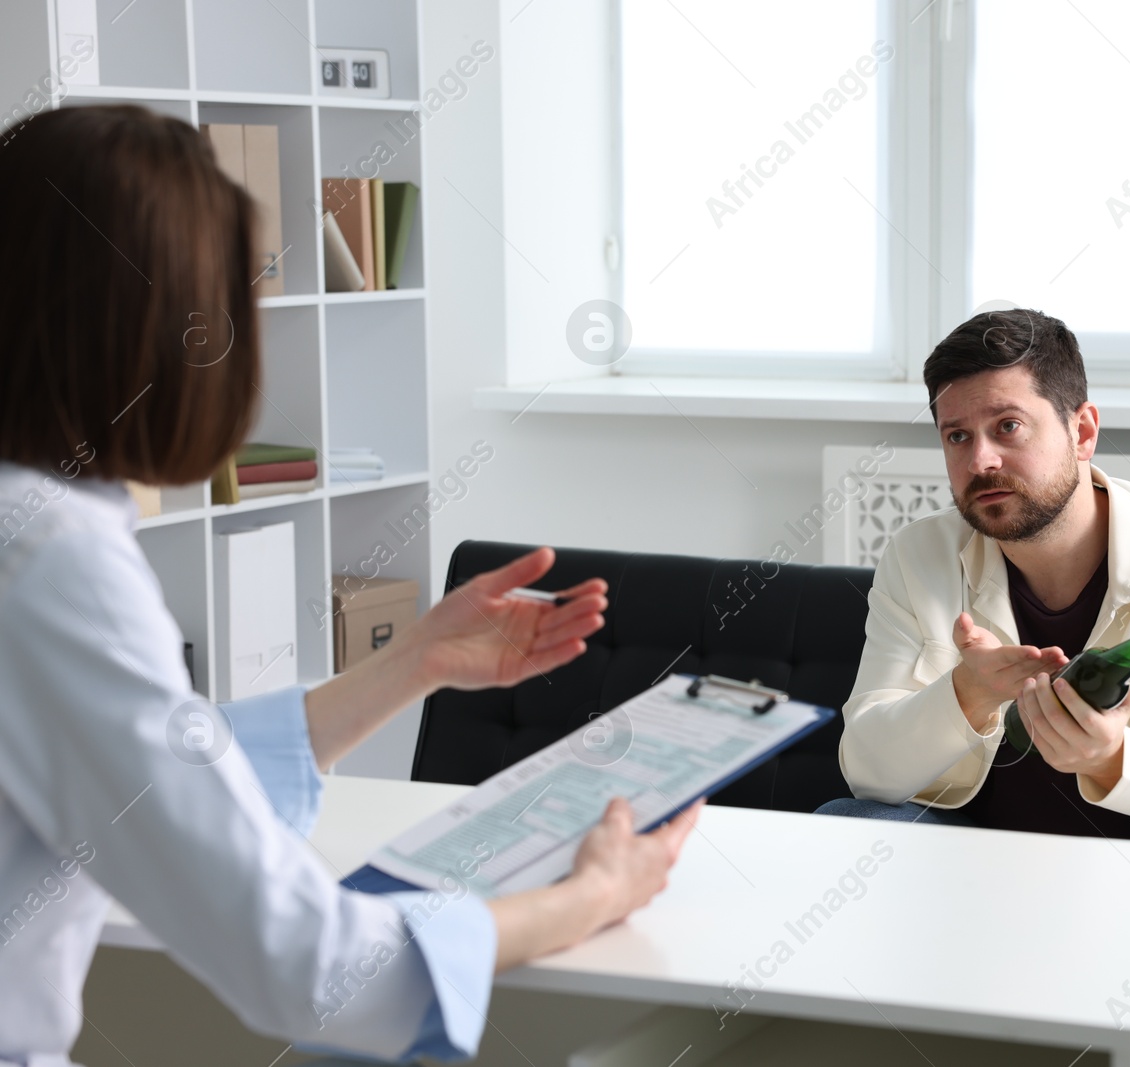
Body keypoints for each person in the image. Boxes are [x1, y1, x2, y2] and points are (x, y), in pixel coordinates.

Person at [0, 104, 700, 1065]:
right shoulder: (51, 561)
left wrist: (408, 664)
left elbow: (146, 776)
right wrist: (589, 897)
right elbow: (312, 967)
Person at [817, 309, 1130, 856]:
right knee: (848, 823)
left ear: (1081, 432)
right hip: (975, 867)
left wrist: (1109, 759)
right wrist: (968, 695)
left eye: (1007, 427)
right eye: (957, 436)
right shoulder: (919, 555)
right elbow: (868, 770)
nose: (980, 460)